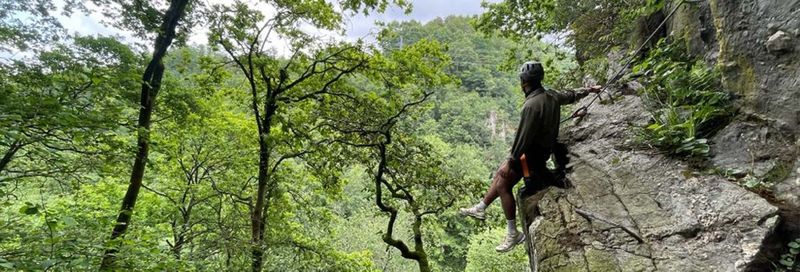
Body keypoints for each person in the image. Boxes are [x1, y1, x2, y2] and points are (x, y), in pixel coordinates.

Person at [459, 61, 601, 252]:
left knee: (502, 182)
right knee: (500, 175)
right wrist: (590, 90)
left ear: (524, 82)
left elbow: (522, 138)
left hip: (531, 157)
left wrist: (510, 161)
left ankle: (512, 233)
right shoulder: (551, 95)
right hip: (540, 151)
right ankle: (481, 206)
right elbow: (571, 94)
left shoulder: (531, 106)